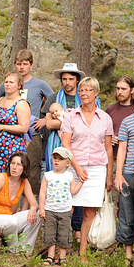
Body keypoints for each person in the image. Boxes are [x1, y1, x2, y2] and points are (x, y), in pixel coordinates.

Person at [61, 76, 114, 263]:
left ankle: (83, 250)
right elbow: (66, 144)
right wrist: (76, 167)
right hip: (74, 167)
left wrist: (109, 175)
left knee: (90, 211)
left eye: (88, 90)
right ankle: (62, 247)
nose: (83, 93)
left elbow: (108, 148)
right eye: (81, 90)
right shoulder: (71, 117)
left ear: (96, 93)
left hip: (97, 169)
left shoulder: (105, 118)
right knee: (65, 207)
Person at [0, 49, 54, 192]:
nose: (22, 67)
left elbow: (53, 101)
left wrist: (44, 119)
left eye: (25, 64)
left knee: (31, 169)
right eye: (19, 64)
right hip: (8, 136)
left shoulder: (40, 84)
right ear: (15, 65)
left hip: (32, 134)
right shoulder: (8, 83)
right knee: (10, 169)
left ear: (31, 65)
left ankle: (31, 207)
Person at [44, 63, 87, 240]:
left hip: (80, 145)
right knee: (58, 182)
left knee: (76, 183)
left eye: (70, 79)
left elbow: (86, 121)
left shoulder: (85, 96)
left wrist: (63, 119)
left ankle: (77, 228)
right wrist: (72, 120)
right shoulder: (54, 97)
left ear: (77, 80)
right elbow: (49, 124)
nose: (67, 82)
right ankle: (55, 225)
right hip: (57, 145)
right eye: (64, 79)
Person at [0, 152, 41, 254]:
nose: (14, 167)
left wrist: (32, 208)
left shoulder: (24, 181)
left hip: (8, 219)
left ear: (24, 168)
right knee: (11, 221)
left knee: (38, 215)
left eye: (18, 164)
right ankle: (13, 250)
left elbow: (35, 204)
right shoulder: (1, 178)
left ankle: (24, 250)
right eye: (12, 163)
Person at [0, 72, 31, 187]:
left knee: (10, 179)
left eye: (11, 82)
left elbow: (24, 127)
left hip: (11, 148)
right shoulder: (0, 100)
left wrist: (2, 127)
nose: (7, 85)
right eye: (6, 82)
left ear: (19, 85)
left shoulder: (21, 103)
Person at [38, 147, 82, 265]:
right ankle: (51, 255)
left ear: (68, 163)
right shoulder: (48, 175)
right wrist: (41, 208)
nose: (56, 161)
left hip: (65, 210)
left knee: (64, 233)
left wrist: (81, 182)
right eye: (55, 158)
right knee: (50, 232)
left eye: (60, 159)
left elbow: (73, 191)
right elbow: (42, 193)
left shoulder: (69, 176)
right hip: (50, 210)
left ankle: (62, 256)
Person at [114, 101, 134, 267]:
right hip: (129, 174)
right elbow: (122, 149)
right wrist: (118, 174)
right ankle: (127, 255)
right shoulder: (128, 121)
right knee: (127, 214)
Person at [105, 74, 134, 161]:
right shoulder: (110, 109)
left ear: (132, 90)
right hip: (114, 158)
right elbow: (100, 133)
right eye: (118, 88)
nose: (120, 92)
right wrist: (108, 138)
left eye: (123, 89)